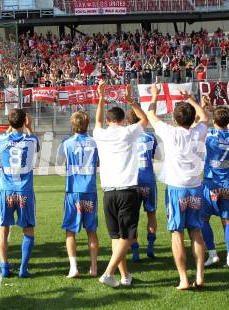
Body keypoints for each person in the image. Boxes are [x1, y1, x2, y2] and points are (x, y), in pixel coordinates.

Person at [146, 83, 209, 290]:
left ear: (175, 119)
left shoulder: (171, 133)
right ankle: (199, 275)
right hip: (196, 187)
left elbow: (151, 114)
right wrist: (191, 99)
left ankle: (183, 278)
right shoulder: (198, 131)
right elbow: (205, 117)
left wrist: (155, 95)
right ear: (192, 119)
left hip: (176, 188)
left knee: (177, 234)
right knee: (196, 232)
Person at [94, 82, 148, 288]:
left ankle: (125, 276)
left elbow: (97, 120)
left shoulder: (100, 133)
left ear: (109, 121)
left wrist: (100, 96)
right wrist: (131, 101)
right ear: (123, 120)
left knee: (117, 237)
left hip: (108, 193)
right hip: (127, 191)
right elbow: (144, 119)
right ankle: (108, 273)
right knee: (128, 236)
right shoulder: (128, 133)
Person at [0, 109, 39, 278]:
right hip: (24, 190)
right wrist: (29, 127)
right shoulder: (31, 140)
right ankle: (23, 269)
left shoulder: (2, 139)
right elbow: (35, 144)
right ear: (24, 121)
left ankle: (4, 267)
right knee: (28, 230)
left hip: (6, 189)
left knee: (3, 229)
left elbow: (7, 134)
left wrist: (13, 125)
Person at [59, 111, 99, 278]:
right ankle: (94, 268)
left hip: (73, 191)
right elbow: (98, 162)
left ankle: (73, 267)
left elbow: (61, 163)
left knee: (70, 230)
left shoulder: (66, 143)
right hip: (89, 190)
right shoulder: (96, 143)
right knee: (91, 230)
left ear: (72, 124)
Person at [200, 105, 229, 268]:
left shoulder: (209, 135)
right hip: (227, 184)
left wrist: (206, 110)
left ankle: (212, 254)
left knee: (203, 220)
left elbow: (199, 124)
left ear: (215, 120)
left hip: (211, 184)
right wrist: (219, 113)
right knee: (227, 221)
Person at [126, 110, 160, 262]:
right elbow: (157, 156)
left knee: (132, 217)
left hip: (132, 181)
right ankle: (150, 246)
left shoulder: (126, 137)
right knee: (151, 213)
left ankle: (135, 251)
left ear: (128, 122)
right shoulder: (151, 137)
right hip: (148, 179)